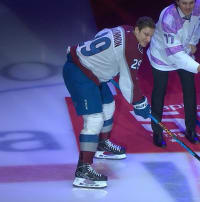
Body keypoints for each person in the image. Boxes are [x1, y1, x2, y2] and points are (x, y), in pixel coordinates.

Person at [63, 16, 155, 188]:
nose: (147, 40)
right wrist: (140, 104)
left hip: (90, 70)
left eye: (151, 36)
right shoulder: (133, 49)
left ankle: (101, 144)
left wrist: (105, 61)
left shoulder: (125, 28)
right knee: (94, 120)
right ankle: (83, 170)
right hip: (79, 72)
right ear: (137, 30)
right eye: (145, 34)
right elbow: (128, 82)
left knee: (108, 105)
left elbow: (102, 34)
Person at [147, 0, 200, 148]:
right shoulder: (168, 18)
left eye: (191, 2)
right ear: (176, 2)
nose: (189, 7)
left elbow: (198, 24)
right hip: (163, 53)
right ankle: (157, 131)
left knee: (190, 89)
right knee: (159, 92)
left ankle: (190, 130)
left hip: (183, 49)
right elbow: (175, 53)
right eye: (184, 3)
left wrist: (193, 42)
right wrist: (199, 67)